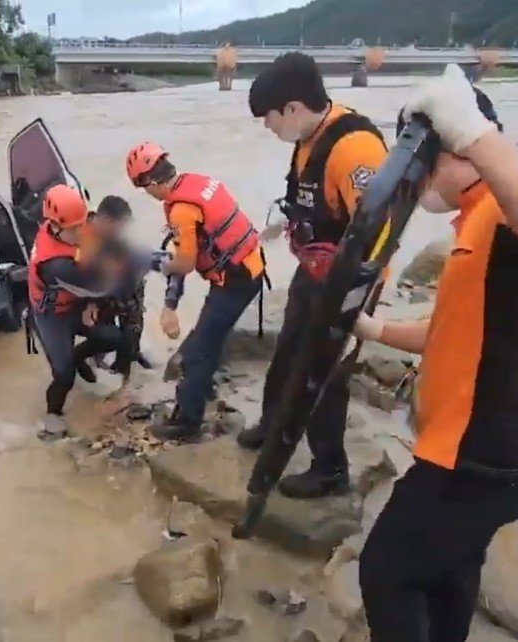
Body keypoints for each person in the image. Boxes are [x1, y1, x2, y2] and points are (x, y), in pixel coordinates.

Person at [354, 65, 518, 642]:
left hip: (487, 455)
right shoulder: (477, 221)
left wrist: (471, 133)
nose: (416, 186)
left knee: (387, 571)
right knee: (451, 567)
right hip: (473, 449)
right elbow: (452, 332)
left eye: (420, 166)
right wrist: (372, 329)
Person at [235, 51, 390, 499]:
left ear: (293, 108)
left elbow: (381, 233)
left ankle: (330, 468)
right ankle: (274, 424)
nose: (268, 128)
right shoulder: (308, 139)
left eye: (268, 118)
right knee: (288, 350)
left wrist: (356, 298)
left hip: (349, 282)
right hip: (314, 270)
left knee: (326, 371)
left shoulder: (355, 149)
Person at [126, 143, 265, 441]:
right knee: (208, 339)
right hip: (251, 266)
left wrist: (163, 267)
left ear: (150, 182)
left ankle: (188, 423)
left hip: (235, 280)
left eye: (143, 188)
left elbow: (185, 264)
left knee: (197, 352)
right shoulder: (198, 182)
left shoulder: (181, 211)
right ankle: (206, 389)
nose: (146, 195)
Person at [27, 184, 125, 435]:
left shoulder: (67, 226)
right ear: (56, 227)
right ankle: (52, 414)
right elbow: (99, 287)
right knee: (63, 373)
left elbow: (91, 285)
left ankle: (81, 356)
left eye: (82, 224)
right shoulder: (54, 264)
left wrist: (90, 304)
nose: (81, 231)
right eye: (74, 229)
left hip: (77, 301)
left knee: (113, 337)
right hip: (51, 315)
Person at [82, 195, 155, 380]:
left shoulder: (121, 239)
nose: (124, 230)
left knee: (132, 332)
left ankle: (127, 366)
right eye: (121, 226)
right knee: (104, 337)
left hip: (128, 288)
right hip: (98, 292)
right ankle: (94, 364)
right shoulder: (82, 236)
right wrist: (91, 301)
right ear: (106, 221)